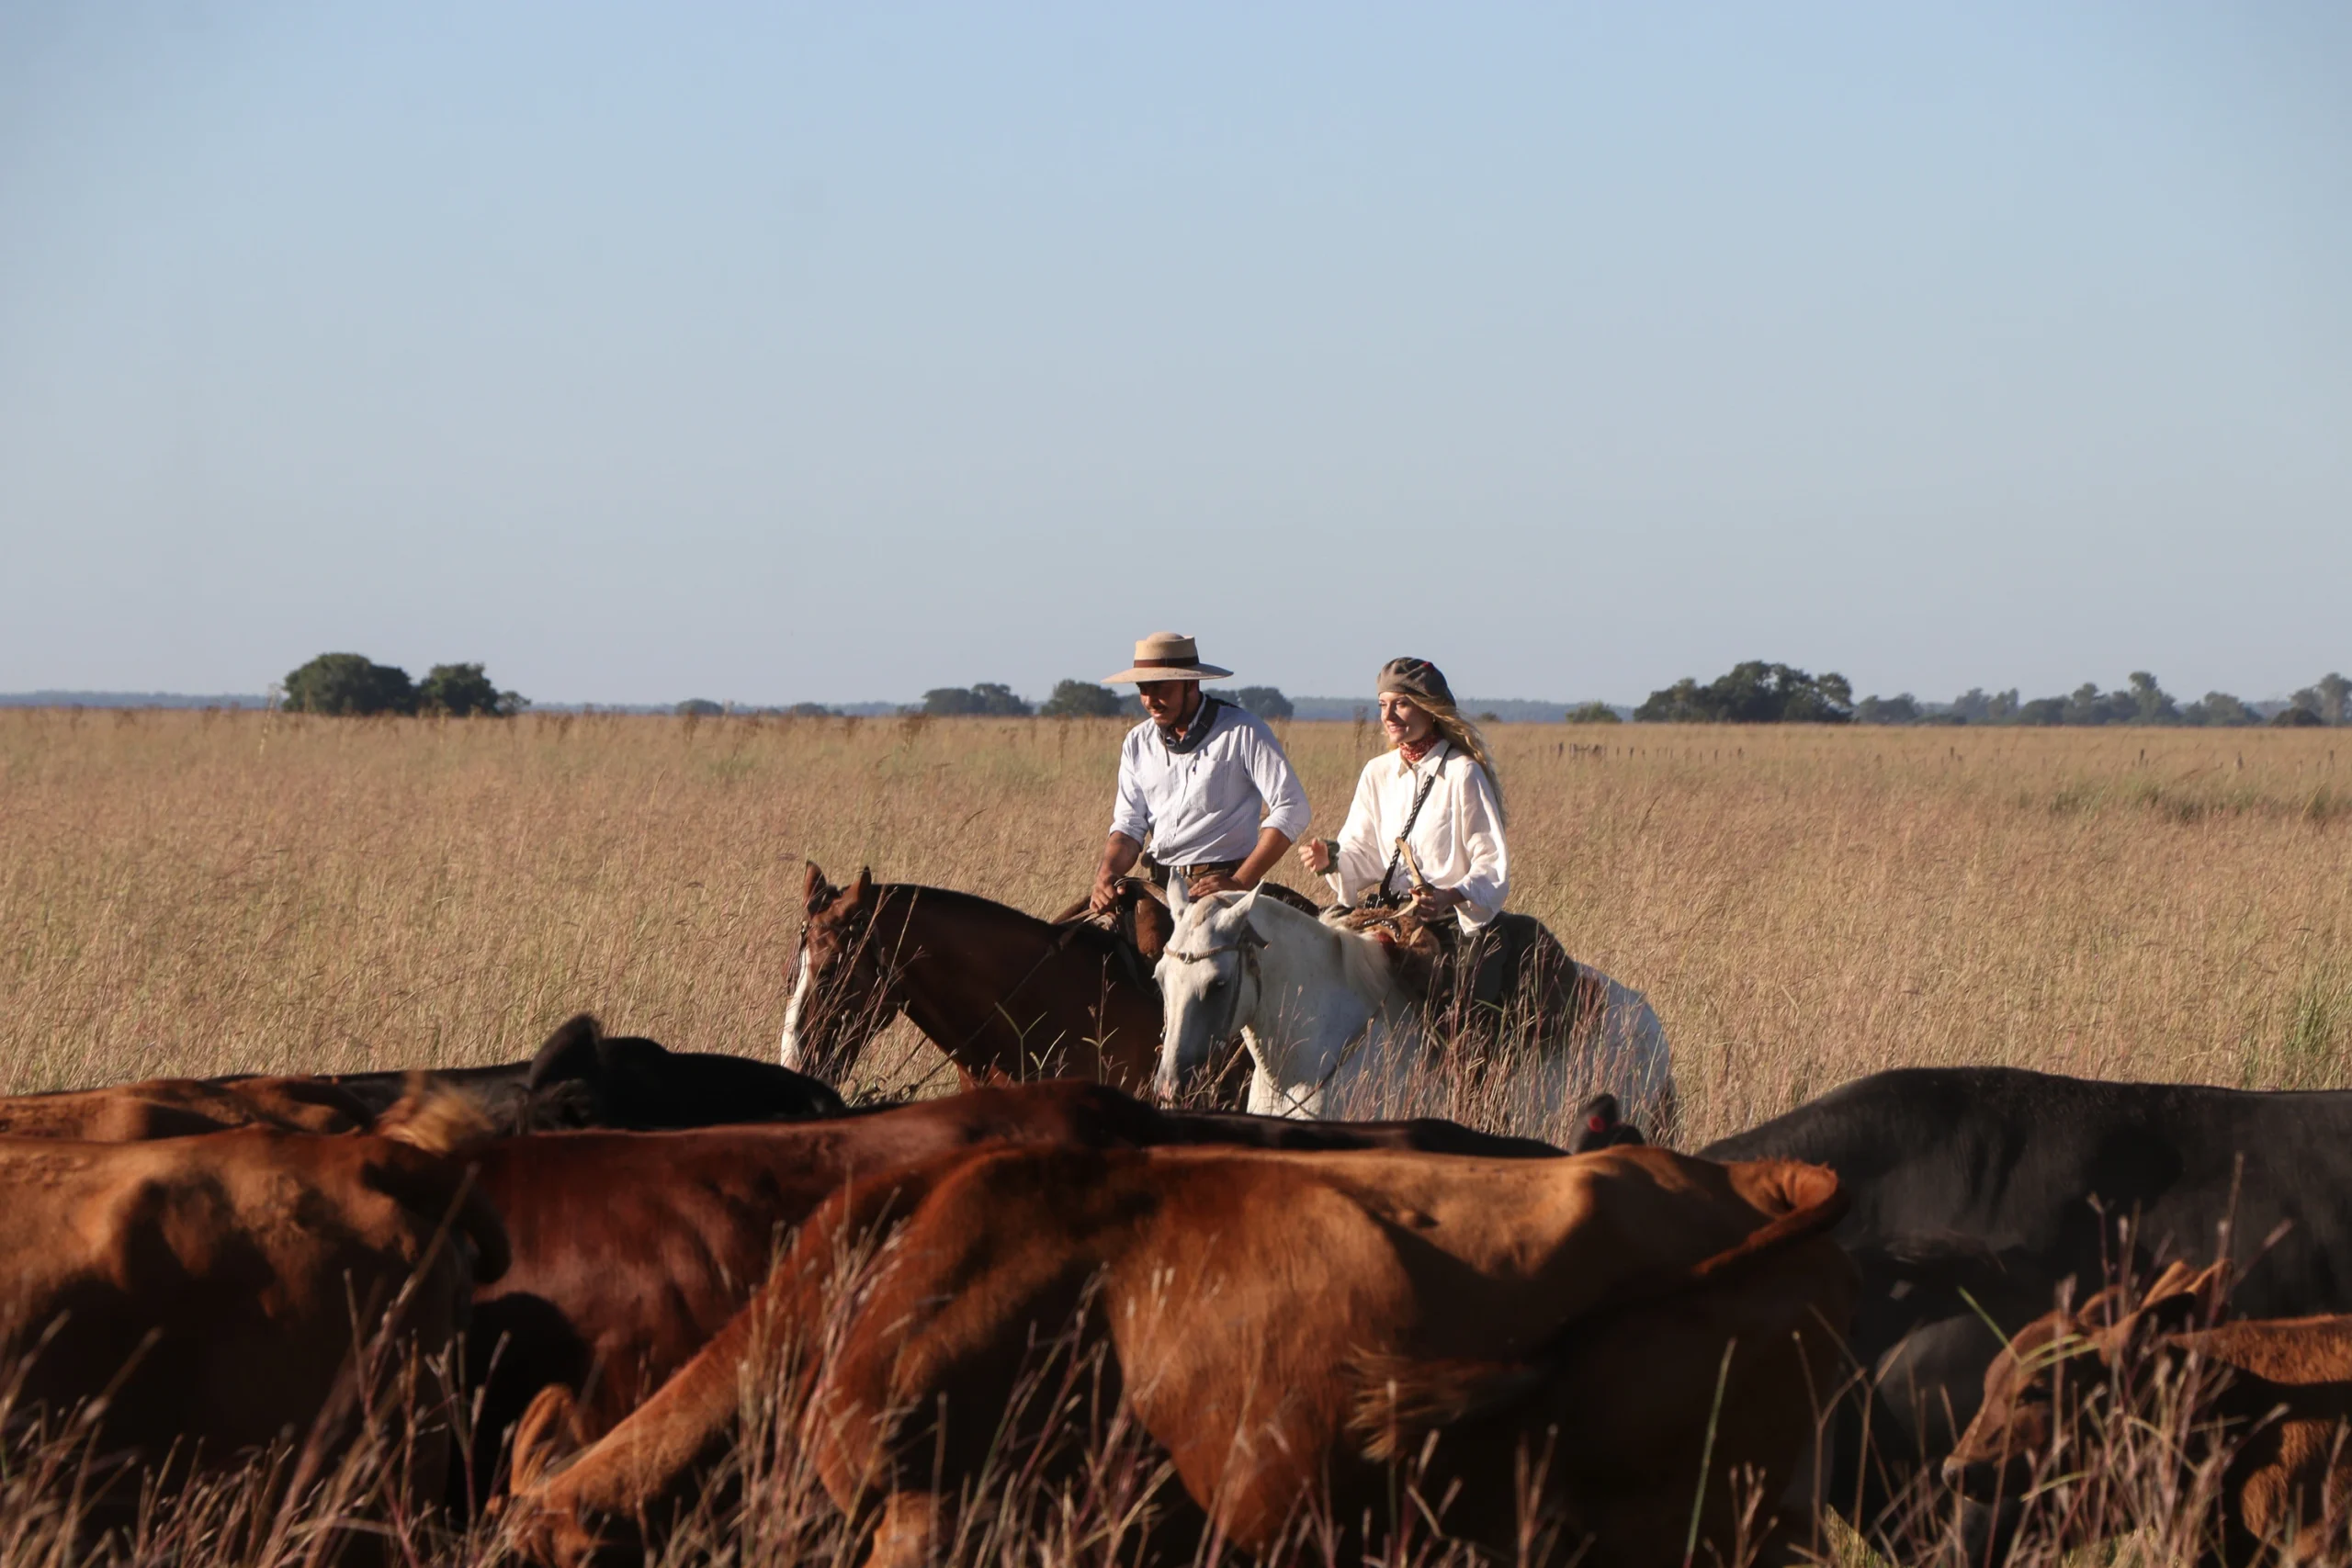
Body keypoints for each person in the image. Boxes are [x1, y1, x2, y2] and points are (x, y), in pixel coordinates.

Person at [1298, 657, 1522, 1034]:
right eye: (1383, 704)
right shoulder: (1377, 772)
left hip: (1447, 923)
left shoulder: (1462, 772)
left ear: (1429, 709)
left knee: (1461, 1015)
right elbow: (1362, 852)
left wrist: (1450, 895)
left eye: (1401, 703)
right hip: (1387, 913)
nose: (1389, 715)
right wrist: (1332, 861)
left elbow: (1490, 862)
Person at [1091, 632, 1308, 916]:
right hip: (1158, 888)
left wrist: (1240, 881)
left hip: (1220, 888)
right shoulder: (1137, 741)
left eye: (1161, 688)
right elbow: (1129, 826)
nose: (1150, 700)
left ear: (1191, 684)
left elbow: (1293, 808)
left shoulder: (1243, 731)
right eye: (1143, 688)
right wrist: (1106, 874)